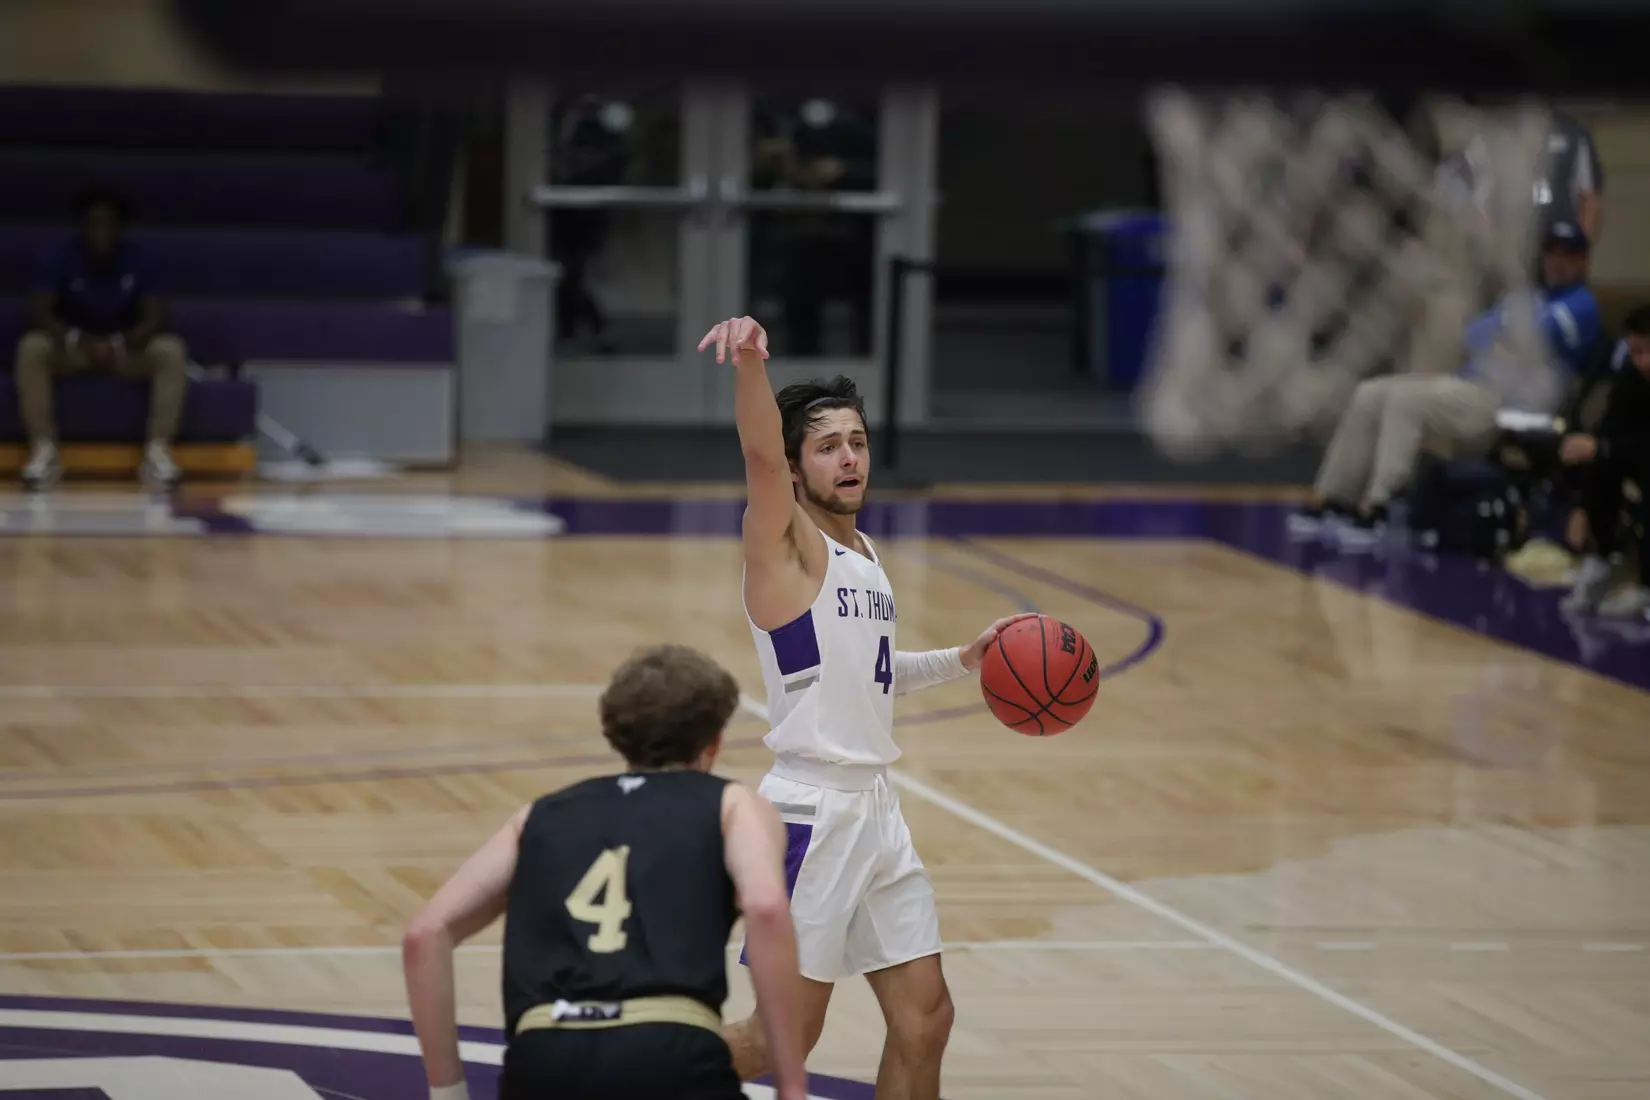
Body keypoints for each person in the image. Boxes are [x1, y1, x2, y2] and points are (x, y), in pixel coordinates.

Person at [701, 314, 1031, 1100]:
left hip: (877, 813)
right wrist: (750, 365)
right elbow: (755, 452)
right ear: (793, 465)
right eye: (827, 445)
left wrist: (962, 662)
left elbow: (871, 680)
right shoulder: (786, 547)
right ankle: (612, 1076)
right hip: (813, 815)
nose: (849, 457)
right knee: (777, 1038)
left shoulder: (863, 552)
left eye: (857, 440)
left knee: (926, 1019)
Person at [402, 644, 808, 1100]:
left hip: (543, 1056)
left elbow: (425, 934)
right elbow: (767, 908)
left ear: (615, 732)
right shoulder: (733, 805)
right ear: (713, 742)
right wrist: (790, 1083)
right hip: (668, 1051)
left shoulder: (539, 815)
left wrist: (447, 1090)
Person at [1293, 216, 1600, 544]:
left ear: (1582, 260)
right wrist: (1507, 336)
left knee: (1405, 400)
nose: (1558, 261)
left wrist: (1507, 333)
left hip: (1512, 406)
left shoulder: (1582, 304)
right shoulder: (1526, 297)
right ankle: (1337, 502)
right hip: (1471, 389)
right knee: (1372, 392)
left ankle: (1383, 510)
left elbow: (1534, 338)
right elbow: (1473, 335)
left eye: (1568, 254)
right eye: (1552, 252)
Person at [15, 186, 189, 490]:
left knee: (171, 350)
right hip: (73, 348)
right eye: (93, 221)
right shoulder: (61, 258)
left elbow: (156, 317)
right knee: (31, 347)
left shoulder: (138, 260)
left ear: (118, 227)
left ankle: (157, 451)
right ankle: (44, 450)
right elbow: (39, 312)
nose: (100, 229)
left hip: (124, 349)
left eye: (107, 222)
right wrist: (75, 338)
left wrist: (121, 341)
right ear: (84, 226)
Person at [1560, 305, 1650, 618]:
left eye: (1648, 351)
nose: (1643, 361)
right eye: (1636, 352)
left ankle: (1646, 588)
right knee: (1595, 458)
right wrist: (1583, 506)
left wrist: (1604, 449)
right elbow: (1610, 430)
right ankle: (1601, 558)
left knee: (1606, 451)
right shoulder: (1632, 375)